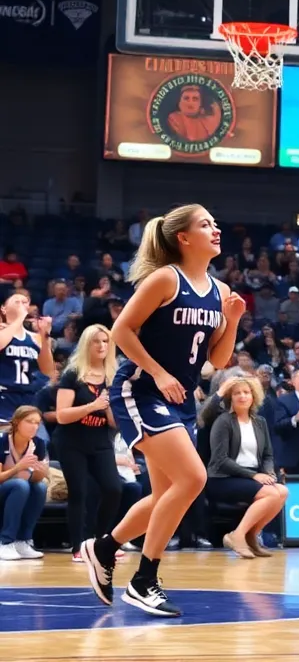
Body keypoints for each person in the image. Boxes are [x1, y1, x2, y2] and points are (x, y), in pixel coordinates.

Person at [81, 204, 243, 618]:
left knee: (163, 496)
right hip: (142, 390)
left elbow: (220, 360)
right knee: (193, 478)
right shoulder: (164, 279)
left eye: (215, 221)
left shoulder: (221, 291)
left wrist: (234, 320)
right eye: (206, 223)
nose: (216, 228)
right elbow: (121, 331)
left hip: (179, 400)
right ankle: (144, 579)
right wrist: (158, 371)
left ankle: (103, 548)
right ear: (183, 238)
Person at [54, 325, 122, 561]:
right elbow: (62, 415)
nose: (102, 346)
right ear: (86, 344)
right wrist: (93, 406)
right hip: (72, 441)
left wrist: (111, 407)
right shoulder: (72, 374)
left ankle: (100, 540)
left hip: (100, 440)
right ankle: (77, 547)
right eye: (97, 341)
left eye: (106, 341)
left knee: (114, 489)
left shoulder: (114, 376)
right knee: (79, 492)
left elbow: (115, 423)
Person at [206, 376, 286, 559]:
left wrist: (268, 472)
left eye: (246, 392)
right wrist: (253, 476)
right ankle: (237, 535)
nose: (242, 396)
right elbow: (220, 460)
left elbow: (267, 455)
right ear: (230, 398)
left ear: (253, 396)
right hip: (223, 478)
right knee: (271, 493)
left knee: (282, 491)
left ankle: (251, 535)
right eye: (237, 393)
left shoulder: (260, 422)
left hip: (249, 477)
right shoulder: (223, 421)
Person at [0, 405, 49, 560]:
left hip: (19, 490)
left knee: (40, 487)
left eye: (37, 423)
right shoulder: (2, 441)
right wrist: (19, 467)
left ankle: (23, 540)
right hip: (5, 489)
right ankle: (5, 542)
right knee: (20, 485)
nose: (34, 426)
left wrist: (41, 472)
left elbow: (35, 479)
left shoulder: (39, 444)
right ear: (17, 422)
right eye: (29, 421)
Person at [0, 292, 54, 425]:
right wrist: (20, 318)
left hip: (27, 398)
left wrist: (44, 335)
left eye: (24, 302)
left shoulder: (34, 337)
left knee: (33, 442)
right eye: (17, 302)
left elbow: (48, 370)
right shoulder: (2, 331)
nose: (21, 305)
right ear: (3, 309)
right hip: (4, 395)